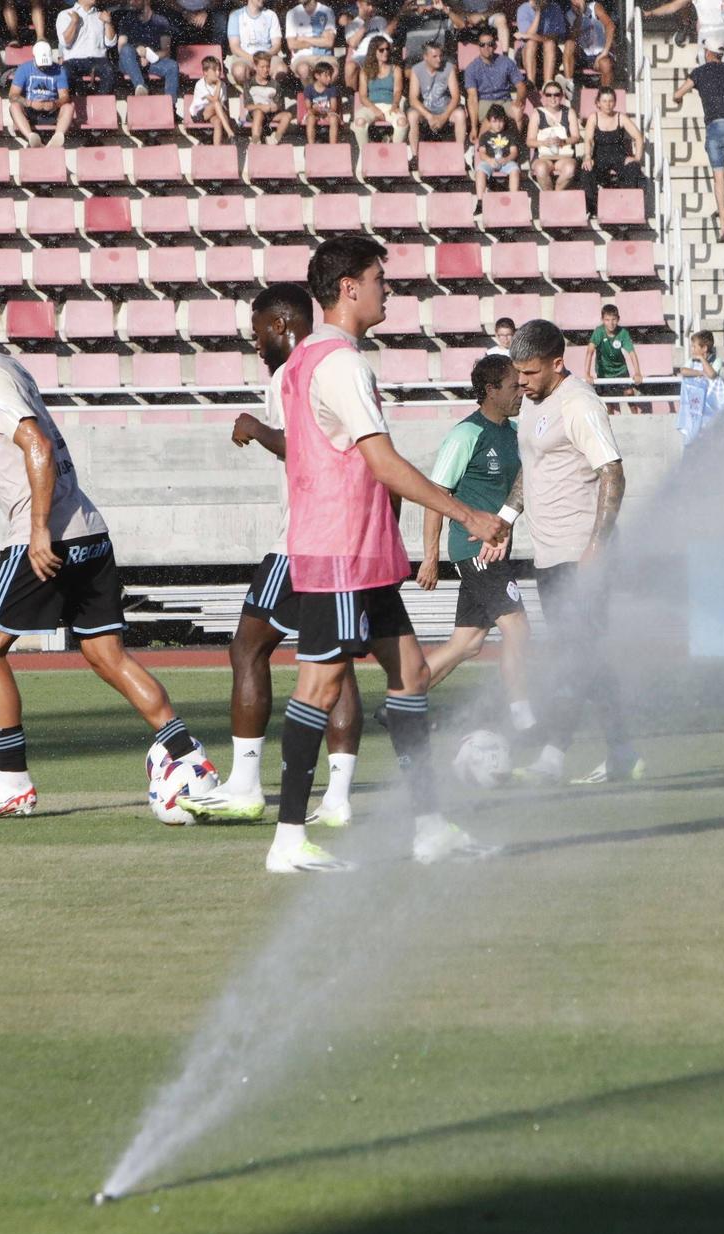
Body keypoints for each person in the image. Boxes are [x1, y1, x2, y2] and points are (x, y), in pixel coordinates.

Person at [0, 284, 208, 822]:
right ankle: (190, 760)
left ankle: (13, 783)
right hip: (88, 531)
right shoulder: (4, 368)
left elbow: (35, 445)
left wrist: (38, 531)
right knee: (107, 656)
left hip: (47, 537)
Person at [253, 236, 506, 871]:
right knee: (320, 683)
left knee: (412, 676)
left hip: (361, 550)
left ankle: (430, 828)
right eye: (378, 278)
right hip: (339, 548)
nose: (386, 289)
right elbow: (382, 462)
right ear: (349, 288)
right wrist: (467, 513)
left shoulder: (307, 358)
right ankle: (287, 841)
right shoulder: (339, 362)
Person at [183, 284, 365, 827]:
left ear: (282, 322)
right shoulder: (336, 363)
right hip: (340, 535)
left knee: (247, 647)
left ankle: (243, 785)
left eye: (259, 329)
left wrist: (255, 428)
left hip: (304, 538)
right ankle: (338, 798)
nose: (255, 341)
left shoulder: (294, 371)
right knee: (333, 664)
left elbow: (306, 447)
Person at [490, 318, 641, 785]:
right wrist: (505, 518)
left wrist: (596, 546)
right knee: (586, 655)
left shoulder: (579, 404)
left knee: (574, 655)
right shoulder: (534, 403)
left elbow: (613, 472)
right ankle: (622, 752)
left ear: (558, 363)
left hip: (581, 555)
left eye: (531, 373)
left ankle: (554, 755)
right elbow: (532, 468)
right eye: (518, 373)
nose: (522, 383)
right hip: (549, 554)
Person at [416, 354, 536, 724]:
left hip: (494, 550)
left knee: (466, 643)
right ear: (490, 390)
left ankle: (400, 702)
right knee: (518, 627)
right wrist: (430, 556)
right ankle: (524, 718)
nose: (522, 391)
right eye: (514, 385)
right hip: (474, 548)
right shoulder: (467, 434)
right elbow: (435, 496)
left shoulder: (514, 434)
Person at [673, 37, 724, 242]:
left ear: (707, 53)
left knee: (719, 175)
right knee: (723, 160)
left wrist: (679, 98)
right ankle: (723, 211)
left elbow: (678, 93)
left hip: (716, 126)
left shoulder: (699, 72)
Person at [581, 85, 645, 208]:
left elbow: (638, 137)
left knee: (634, 167)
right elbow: (588, 139)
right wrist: (588, 157)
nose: (608, 104)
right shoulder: (593, 118)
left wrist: (637, 158)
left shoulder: (621, 117)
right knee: (586, 170)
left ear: (615, 102)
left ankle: (626, 205)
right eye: (604, 101)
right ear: (598, 103)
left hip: (619, 156)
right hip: (599, 157)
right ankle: (593, 207)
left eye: (611, 101)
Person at [11, 41, 75, 146]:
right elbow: (13, 95)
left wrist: (55, 104)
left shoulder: (59, 70)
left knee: (69, 107)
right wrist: (30, 103)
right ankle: (31, 137)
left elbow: (65, 96)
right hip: (30, 109)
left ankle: (57, 137)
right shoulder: (24, 69)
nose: (43, 68)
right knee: (14, 106)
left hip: (51, 110)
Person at [462, 24, 526, 128]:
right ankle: (482, 139)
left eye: (490, 44)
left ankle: (516, 141)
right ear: (479, 46)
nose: (486, 48)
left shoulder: (506, 62)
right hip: (485, 101)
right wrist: (474, 128)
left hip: (505, 100)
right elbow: (472, 98)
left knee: (517, 111)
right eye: (482, 45)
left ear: (495, 46)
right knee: (492, 118)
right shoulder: (472, 68)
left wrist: (518, 102)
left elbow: (521, 86)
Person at [409, 40, 468, 146]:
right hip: (426, 110)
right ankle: (415, 156)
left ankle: (460, 153)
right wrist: (429, 116)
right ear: (425, 57)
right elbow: (413, 99)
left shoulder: (448, 68)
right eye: (435, 56)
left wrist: (443, 117)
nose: (439, 59)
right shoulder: (416, 70)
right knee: (412, 115)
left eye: (440, 56)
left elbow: (455, 97)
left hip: (445, 109)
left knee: (460, 114)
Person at [116, 0, 180, 99]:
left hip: (151, 62)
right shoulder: (127, 20)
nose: (131, 2)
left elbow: (166, 51)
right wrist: (138, 54)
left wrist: (147, 54)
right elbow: (121, 48)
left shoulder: (161, 22)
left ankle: (170, 107)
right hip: (130, 62)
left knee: (172, 66)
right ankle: (140, 86)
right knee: (126, 49)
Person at [529, 77, 581, 189]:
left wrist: (563, 141)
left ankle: (555, 194)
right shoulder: (537, 113)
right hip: (543, 156)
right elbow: (529, 141)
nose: (553, 98)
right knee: (541, 169)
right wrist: (544, 143)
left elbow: (576, 137)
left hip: (564, 155)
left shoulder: (569, 112)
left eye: (556, 94)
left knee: (569, 169)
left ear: (561, 96)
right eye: (549, 95)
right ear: (544, 96)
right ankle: (550, 198)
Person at [56, 0, 115, 96]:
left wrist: (108, 23)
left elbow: (111, 43)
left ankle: (100, 105)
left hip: (98, 60)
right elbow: (65, 42)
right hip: (74, 60)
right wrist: (74, 22)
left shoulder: (100, 15)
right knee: (65, 71)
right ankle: (72, 106)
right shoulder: (65, 14)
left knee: (109, 70)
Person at [585, 302, 645, 393]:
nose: (611, 323)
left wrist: (637, 372)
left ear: (618, 319)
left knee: (629, 394)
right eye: (607, 320)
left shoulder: (623, 332)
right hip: (604, 372)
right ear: (602, 320)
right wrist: (587, 374)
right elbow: (590, 352)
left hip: (620, 370)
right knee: (610, 404)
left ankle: (633, 407)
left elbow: (632, 353)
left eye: (614, 319)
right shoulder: (599, 331)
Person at [472, 102, 522, 198]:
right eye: (494, 121)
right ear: (489, 121)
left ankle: (514, 198)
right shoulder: (484, 136)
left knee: (515, 170)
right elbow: (482, 153)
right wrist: (489, 160)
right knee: (480, 171)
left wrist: (506, 159)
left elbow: (514, 152)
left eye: (501, 121)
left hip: (506, 161)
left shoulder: (509, 134)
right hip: (490, 161)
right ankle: (480, 200)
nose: (498, 125)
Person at [226, 0, 281, 86]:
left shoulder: (271, 15)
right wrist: (254, 59)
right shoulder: (235, 16)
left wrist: (264, 58)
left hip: (267, 56)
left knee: (280, 69)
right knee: (239, 71)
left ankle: (271, 94)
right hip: (245, 56)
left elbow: (277, 45)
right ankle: (249, 95)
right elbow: (234, 47)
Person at [285, 0, 340, 81]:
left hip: (325, 57)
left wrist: (304, 39)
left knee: (333, 71)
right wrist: (320, 40)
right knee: (304, 70)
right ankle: (309, 93)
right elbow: (292, 44)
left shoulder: (327, 11)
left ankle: (326, 93)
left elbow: (329, 42)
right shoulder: (292, 13)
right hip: (302, 57)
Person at [189, 52, 234, 142]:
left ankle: (217, 150)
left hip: (215, 113)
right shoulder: (200, 84)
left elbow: (223, 103)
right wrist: (218, 85)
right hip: (200, 114)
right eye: (214, 70)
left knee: (218, 122)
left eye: (219, 70)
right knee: (216, 103)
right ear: (205, 72)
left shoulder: (223, 85)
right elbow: (214, 100)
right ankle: (229, 132)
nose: (218, 73)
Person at [299, 58, 347, 142]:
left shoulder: (332, 89)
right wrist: (315, 110)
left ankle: (333, 145)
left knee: (333, 119)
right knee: (310, 119)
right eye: (326, 75)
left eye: (330, 75)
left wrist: (324, 110)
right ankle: (311, 145)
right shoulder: (309, 89)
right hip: (314, 113)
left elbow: (333, 108)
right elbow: (309, 108)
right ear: (317, 76)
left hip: (328, 113)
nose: (329, 78)